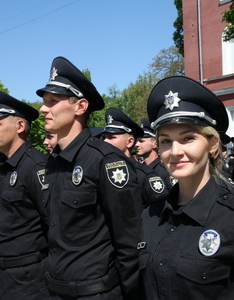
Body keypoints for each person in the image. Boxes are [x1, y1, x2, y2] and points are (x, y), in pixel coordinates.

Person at [140, 75, 234, 299]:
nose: (175, 151)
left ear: (212, 145)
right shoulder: (150, 216)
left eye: (188, 138)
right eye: (166, 141)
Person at [37, 56, 143, 300]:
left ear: (80, 107)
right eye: (44, 102)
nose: (43, 108)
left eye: (52, 101)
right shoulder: (54, 163)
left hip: (95, 292)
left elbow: (129, 241)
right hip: (55, 289)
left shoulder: (106, 161)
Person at [0, 89, 50, 299]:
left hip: (28, 277)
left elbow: (53, 223)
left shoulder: (35, 166)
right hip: (2, 274)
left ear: (20, 126)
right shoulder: (3, 167)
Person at [102, 108, 169, 207]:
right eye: (104, 137)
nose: (105, 141)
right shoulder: (100, 170)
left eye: (111, 137)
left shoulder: (145, 175)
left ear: (129, 142)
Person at [135, 118, 173, 191]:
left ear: (155, 144)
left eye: (141, 141)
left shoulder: (164, 171)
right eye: (137, 141)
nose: (136, 144)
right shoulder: (140, 169)